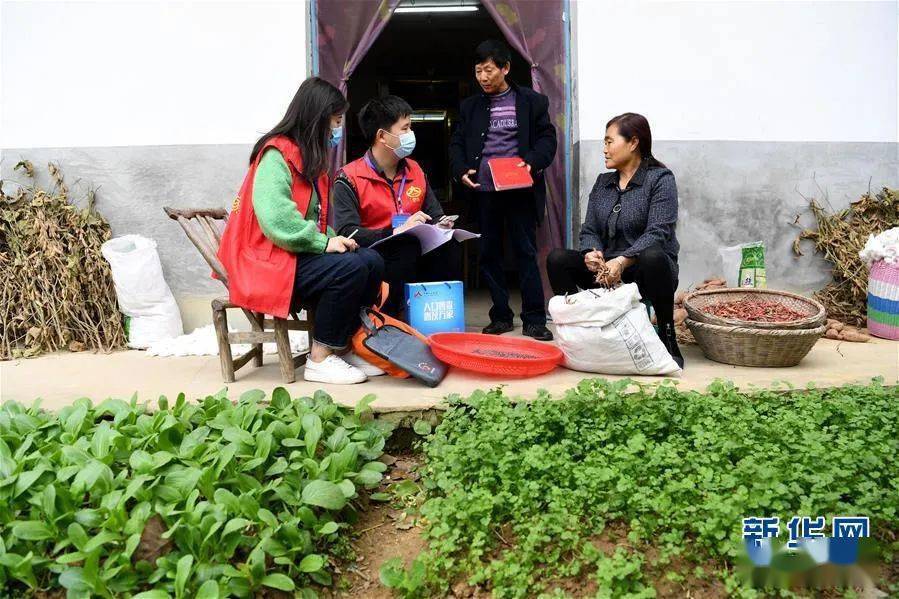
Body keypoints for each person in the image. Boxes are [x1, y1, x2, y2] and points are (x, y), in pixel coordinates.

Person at [217, 77, 386, 384]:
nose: (337, 131)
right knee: (347, 269)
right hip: (264, 261)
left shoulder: (309, 159)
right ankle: (320, 358)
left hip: (290, 255)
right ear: (316, 119)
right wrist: (324, 243)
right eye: (335, 122)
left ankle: (341, 346)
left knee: (370, 260)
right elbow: (277, 220)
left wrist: (337, 239)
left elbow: (316, 219)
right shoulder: (275, 156)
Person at [546, 112, 684, 367]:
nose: (604, 149)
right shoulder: (604, 182)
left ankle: (667, 337)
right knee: (557, 259)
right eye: (604, 142)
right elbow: (589, 229)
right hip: (605, 271)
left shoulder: (660, 180)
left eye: (610, 142)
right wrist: (592, 252)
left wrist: (622, 261)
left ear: (633, 142)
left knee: (654, 255)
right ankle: (579, 335)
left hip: (644, 270)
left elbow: (659, 231)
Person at [449, 39, 557, 341]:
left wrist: (531, 163)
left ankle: (535, 319)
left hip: (520, 190)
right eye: (478, 71)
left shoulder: (531, 102)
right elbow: (457, 143)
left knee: (525, 252)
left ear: (505, 68)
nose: (482, 77)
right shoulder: (470, 106)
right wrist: (460, 170)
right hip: (484, 191)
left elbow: (548, 139)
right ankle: (500, 316)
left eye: (488, 70)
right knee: (489, 254)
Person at [332, 95, 461, 319]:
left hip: (413, 248)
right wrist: (394, 232)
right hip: (376, 254)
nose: (411, 135)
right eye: (405, 128)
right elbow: (347, 231)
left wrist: (442, 223)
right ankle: (389, 320)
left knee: (448, 247)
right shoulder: (348, 177)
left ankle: (437, 320)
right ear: (382, 136)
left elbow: (435, 214)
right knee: (404, 249)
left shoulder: (415, 170)